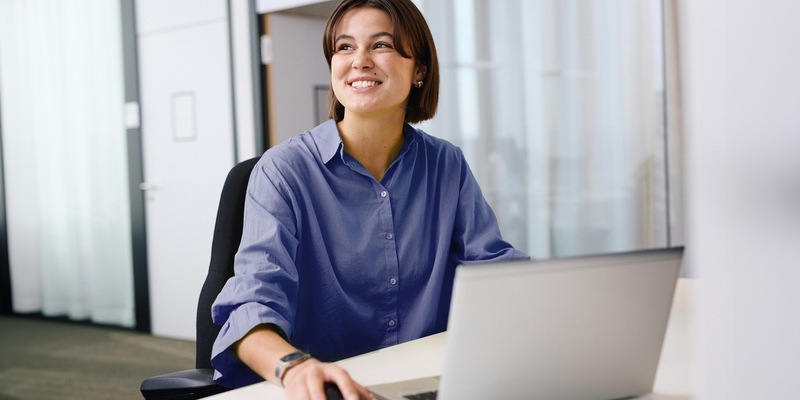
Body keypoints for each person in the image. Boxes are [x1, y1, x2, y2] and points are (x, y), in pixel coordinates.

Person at [210, 0, 528, 399]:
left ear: (419, 71)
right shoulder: (284, 171)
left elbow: (494, 271)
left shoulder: (445, 164)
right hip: (327, 389)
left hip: (426, 382)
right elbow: (251, 305)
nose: (359, 61)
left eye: (381, 45)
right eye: (344, 47)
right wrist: (294, 368)